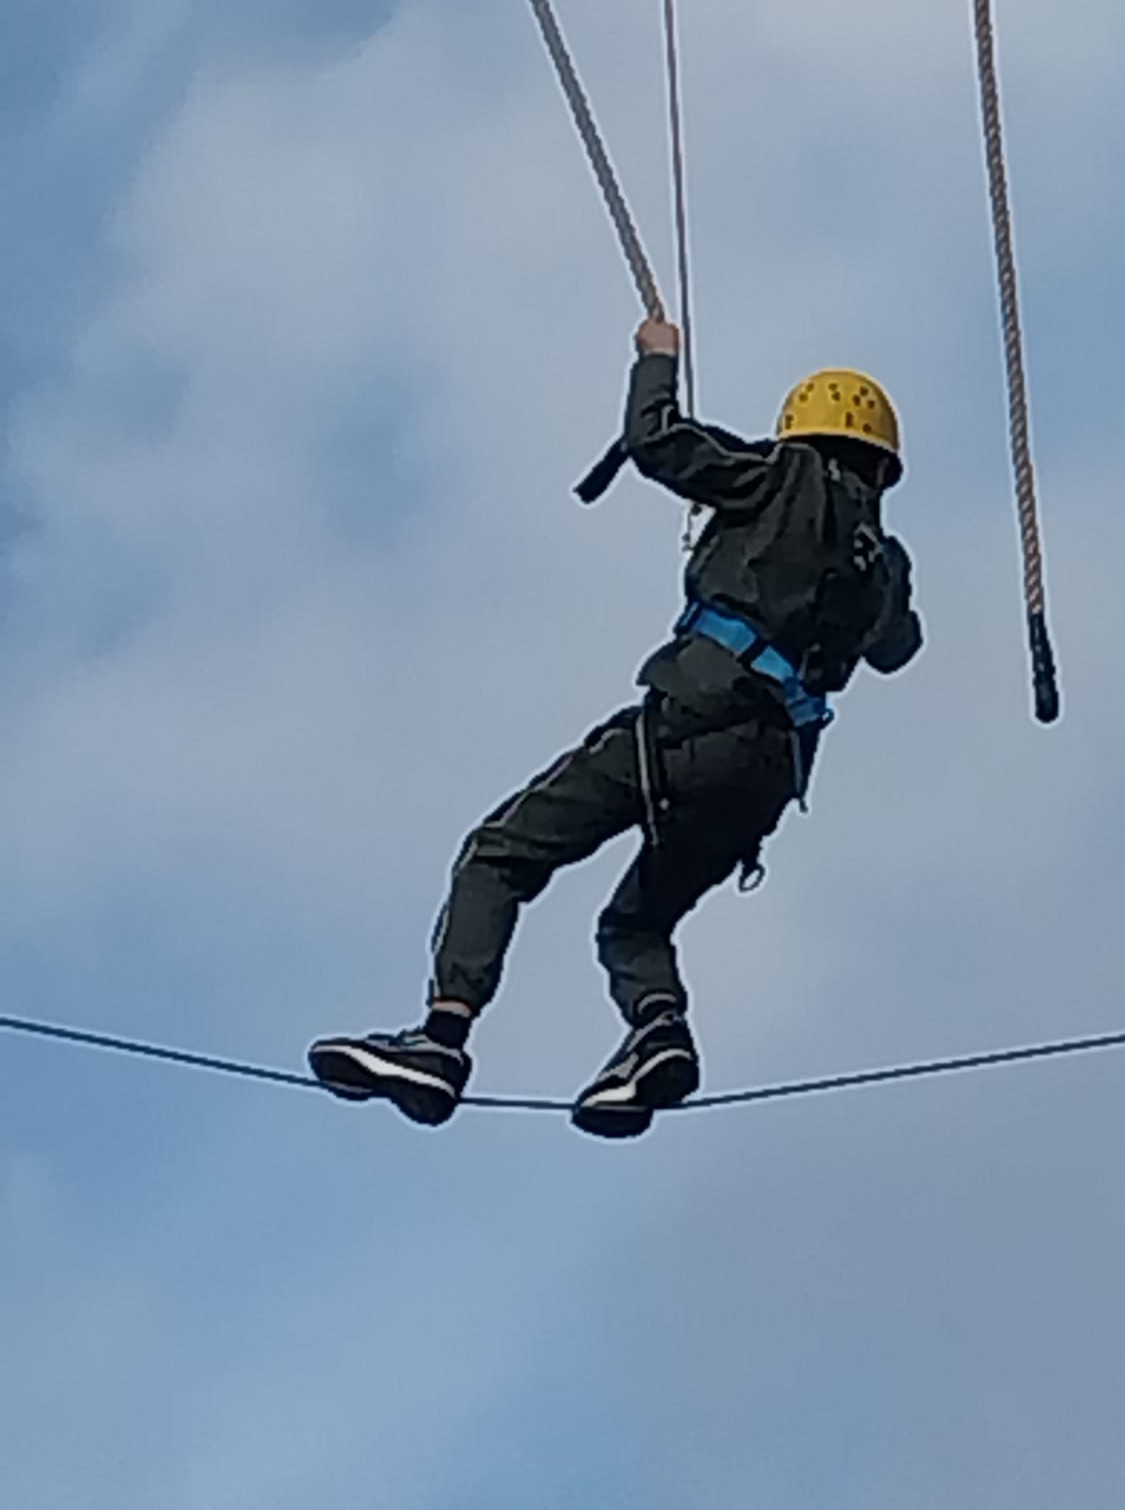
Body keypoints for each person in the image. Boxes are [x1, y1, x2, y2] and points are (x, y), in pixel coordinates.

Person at [308, 319, 922, 1139]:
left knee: (500, 853)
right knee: (635, 924)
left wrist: (655, 360)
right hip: (767, 778)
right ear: (883, 464)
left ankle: (442, 1040)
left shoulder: (779, 474)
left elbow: (656, 441)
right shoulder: (883, 560)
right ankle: (657, 1032)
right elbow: (897, 649)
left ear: (802, 434)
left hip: (688, 725)